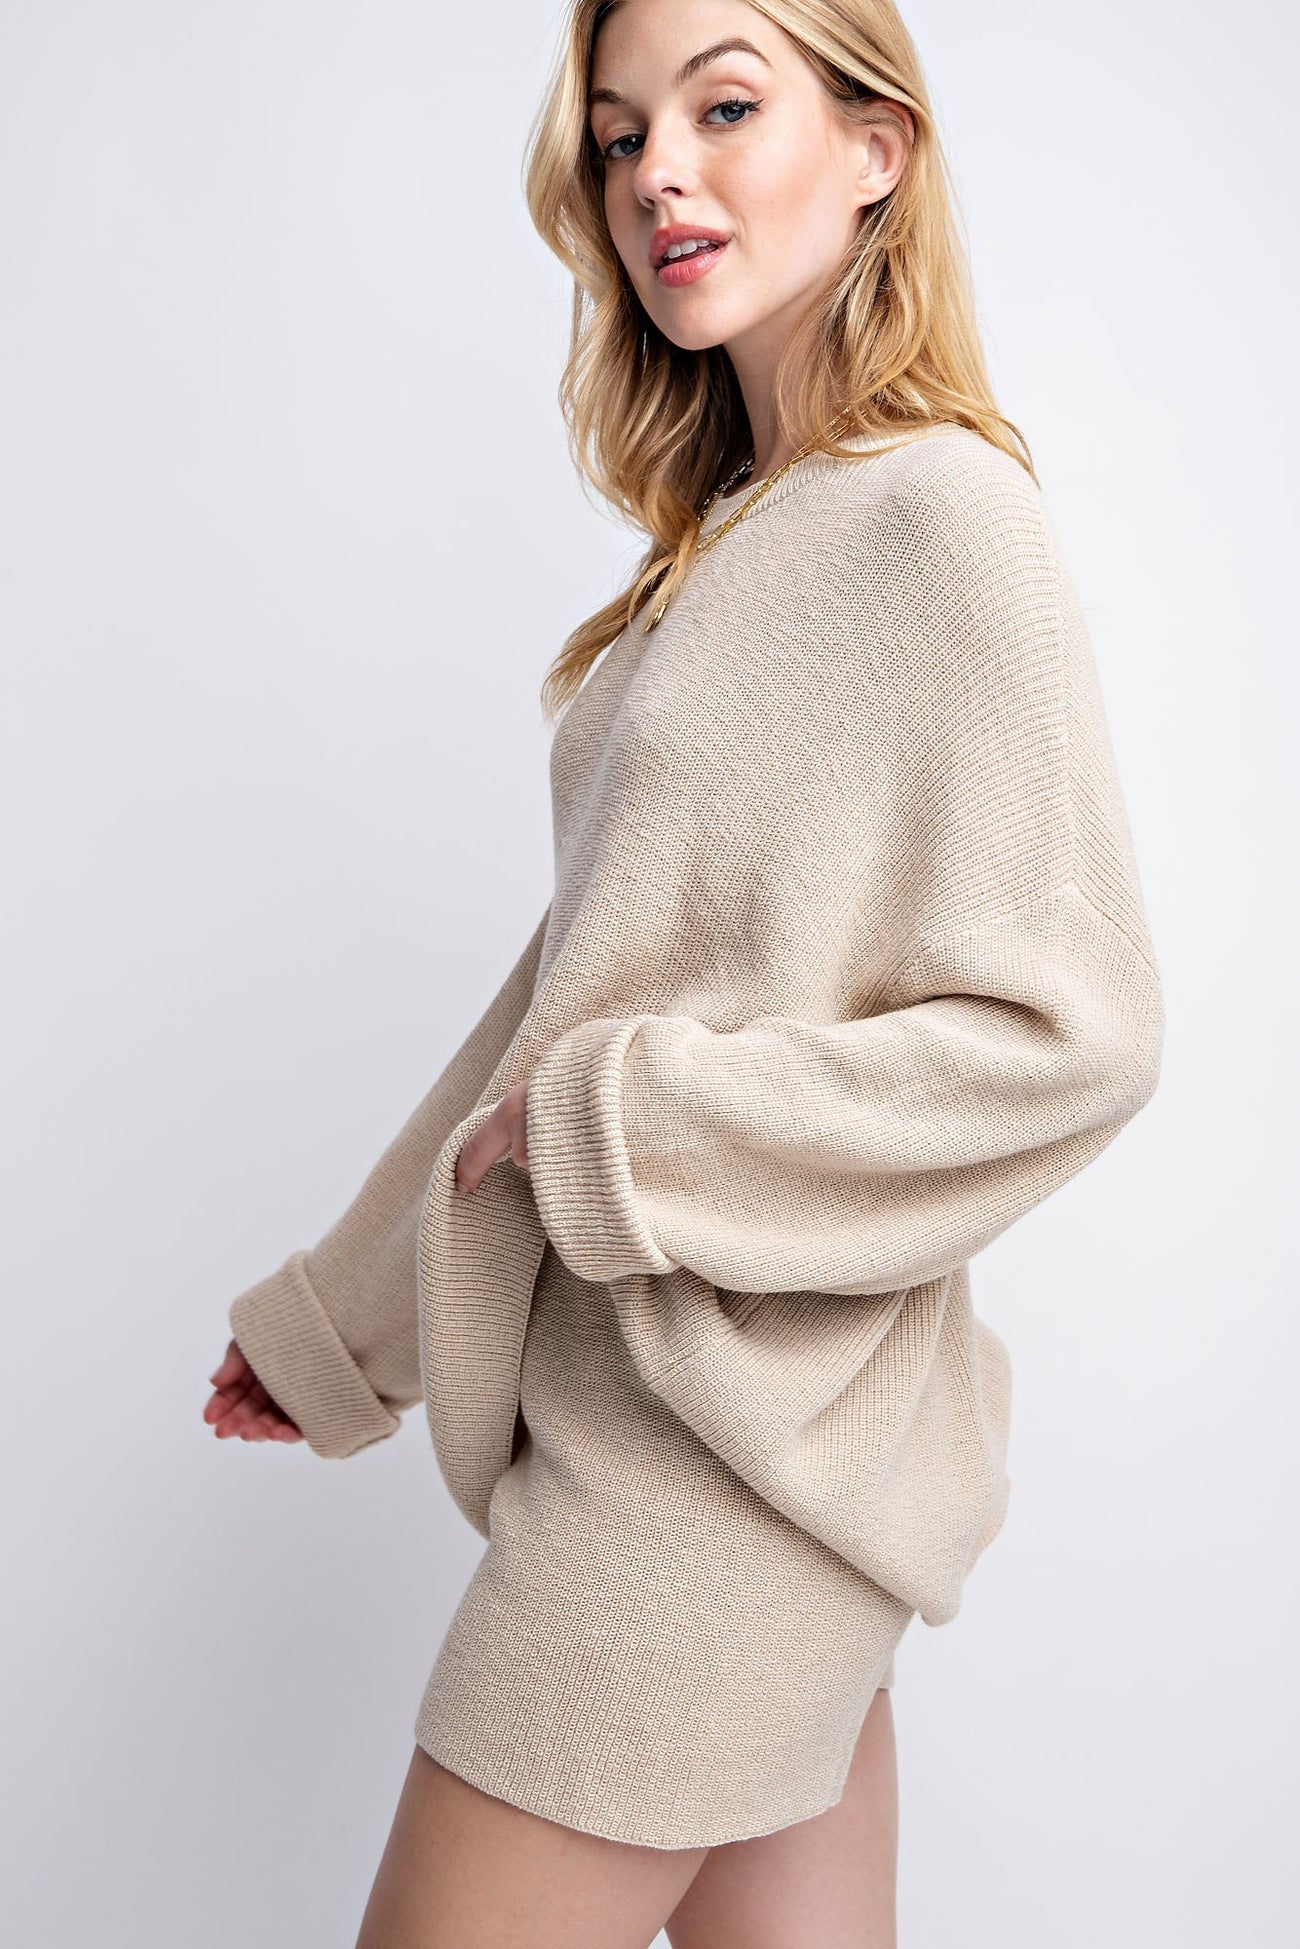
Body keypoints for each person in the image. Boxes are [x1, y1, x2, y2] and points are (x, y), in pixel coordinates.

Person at [202, 0, 1165, 1943]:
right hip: (744, 1458)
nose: (659, 174)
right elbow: (559, 1000)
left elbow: (1078, 1034)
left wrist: (629, 1124)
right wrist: (342, 1327)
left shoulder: (943, 518)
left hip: (701, 1479)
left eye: (725, 106)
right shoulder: (722, 553)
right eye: (622, 131)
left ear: (877, 149)